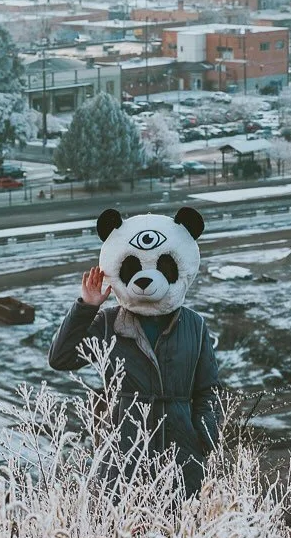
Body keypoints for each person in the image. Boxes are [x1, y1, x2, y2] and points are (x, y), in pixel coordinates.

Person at [48, 208, 220, 496]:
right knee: (126, 534)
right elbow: (60, 358)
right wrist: (86, 307)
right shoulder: (108, 323)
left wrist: (204, 438)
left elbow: (207, 390)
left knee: (180, 534)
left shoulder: (194, 325)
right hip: (123, 459)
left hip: (182, 459)